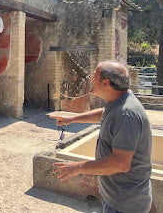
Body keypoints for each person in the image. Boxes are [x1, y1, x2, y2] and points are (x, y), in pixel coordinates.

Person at [50, 60, 155, 213]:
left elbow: (120, 163)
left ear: (106, 83)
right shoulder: (119, 101)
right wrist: (72, 118)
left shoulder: (127, 114)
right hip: (116, 199)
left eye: (94, 76)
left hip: (125, 206)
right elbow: (105, 113)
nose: (91, 79)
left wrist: (77, 167)